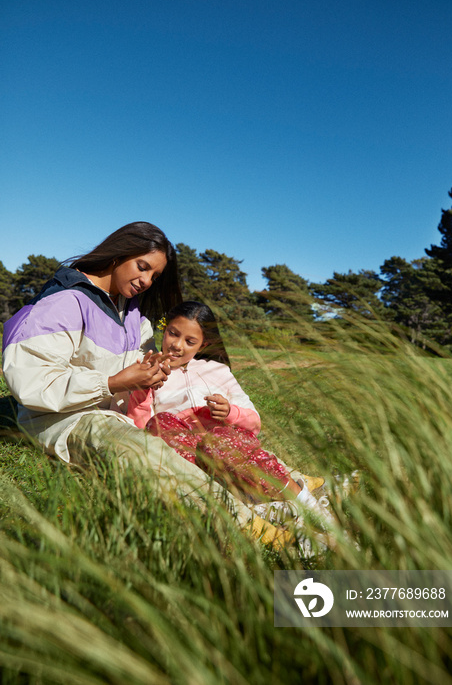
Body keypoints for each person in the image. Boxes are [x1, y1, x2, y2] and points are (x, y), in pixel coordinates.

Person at [1, 223, 294, 550]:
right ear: (118, 255)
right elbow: (29, 381)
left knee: (184, 435)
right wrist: (113, 382)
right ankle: (250, 527)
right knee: (143, 453)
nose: (146, 282)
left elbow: (141, 366)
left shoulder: (132, 312)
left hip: (116, 413)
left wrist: (152, 374)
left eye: (154, 276)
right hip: (67, 419)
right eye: (143, 267)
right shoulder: (65, 301)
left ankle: (281, 486)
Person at [126, 300, 332, 523]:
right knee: (161, 421)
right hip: (188, 458)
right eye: (173, 334)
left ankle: (305, 503)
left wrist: (230, 413)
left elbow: (254, 422)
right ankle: (240, 503)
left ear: (203, 346)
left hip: (227, 449)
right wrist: (143, 386)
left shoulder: (218, 371)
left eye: (190, 341)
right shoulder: (151, 372)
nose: (177, 345)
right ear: (164, 330)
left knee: (218, 439)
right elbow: (140, 426)